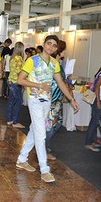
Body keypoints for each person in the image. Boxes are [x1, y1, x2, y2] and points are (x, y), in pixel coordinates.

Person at [16, 35, 79, 183]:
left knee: (34, 130)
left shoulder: (55, 63)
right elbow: (20, 79)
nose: (50, 47)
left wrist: (71, 99)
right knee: (41, 134)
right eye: (48, 43)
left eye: (54, 45)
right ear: (44, 44)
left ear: (56, 48)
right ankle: (44, 169)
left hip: (47, 102)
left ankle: (22, 159)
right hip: (34, 100)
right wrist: (39, 86)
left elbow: (61, 82)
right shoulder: (33, 60)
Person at [46, 40, 68, 160]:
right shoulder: (53, 63)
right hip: (52, 98)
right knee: (50, 126)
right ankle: (44, 148)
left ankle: (44, 145)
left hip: (57, 98)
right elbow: (58, 81)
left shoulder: (57, 63)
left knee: (57, 123)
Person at [85, 62, 101, 151]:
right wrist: (98, 101)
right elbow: (97, 86)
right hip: (98, 100)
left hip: (98, 99)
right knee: (94, 122)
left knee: (95, 121)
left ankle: (91, 142)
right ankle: (88, 143)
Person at [6, 42, 25, 128]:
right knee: (19, 101)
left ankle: (9, 119)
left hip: (10, 81)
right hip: (16, 83)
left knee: (11, 102)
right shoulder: (19, 58)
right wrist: (23, 83)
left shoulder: (12, 58)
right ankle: (15, 121)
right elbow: (19, 73)